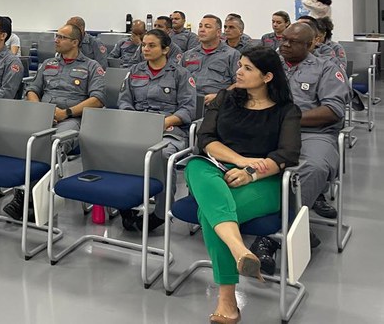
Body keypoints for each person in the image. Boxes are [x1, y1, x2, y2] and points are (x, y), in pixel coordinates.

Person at [184, 46, 301, 324]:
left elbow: (287, 155)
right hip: (216, 168)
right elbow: (206, 139)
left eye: (248, 68)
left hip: (264, 181)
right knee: (194, 165)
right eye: (240, 65)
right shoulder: (225, 98)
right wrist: (240, 160)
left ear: (268, 77)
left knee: (209, 214)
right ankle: (240, 251)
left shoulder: (287, 111)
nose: (239, 71)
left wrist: (250, 172)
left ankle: (227, 299)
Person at [250, 23, 350, 273]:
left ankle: (269, 238)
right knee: (235, 156)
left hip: (314, 134)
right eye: (283, 40)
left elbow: (333, 111)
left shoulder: (327, 68)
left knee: (314, 167)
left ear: (312, 44)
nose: (284, 44)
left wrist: (289, 118)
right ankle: (295, 225)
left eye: (292, 42)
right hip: (269, 130)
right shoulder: (270, 67)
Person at [8, 23, 106, 220]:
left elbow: (97, 99)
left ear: (75, 42)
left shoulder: (91, 67)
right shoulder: (48, 64)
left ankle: (30, 197)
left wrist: (66, 112)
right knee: (24, 139)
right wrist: (39, 109)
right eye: (57, 36)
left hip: (73, 119)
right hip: (44, 116)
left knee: (54, 143)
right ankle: (29, 193)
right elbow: (32, 90)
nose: (56, 40)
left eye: (61, 37)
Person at [117, 29, 195, 231]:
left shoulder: (181, 74)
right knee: (117, 149)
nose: (146, 49)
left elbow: (188, 108)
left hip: (169, 130)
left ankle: (161, 213)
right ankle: (125, 202)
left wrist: (163, 122)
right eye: (144, 45)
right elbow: (124, 101)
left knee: (161, 156)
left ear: (165, 49)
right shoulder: (135, 70)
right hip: (137, 127)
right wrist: (136, 120)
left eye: (151, 45)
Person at [181, 15, 240, 105]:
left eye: (207, 27)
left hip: (216, 104)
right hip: (188, 103)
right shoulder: (188, 55)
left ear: (218, 32)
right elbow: (175, 79)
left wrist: (220, 96)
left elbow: (240, 83)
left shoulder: (232, 55)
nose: (201, 30)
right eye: (200, 26)